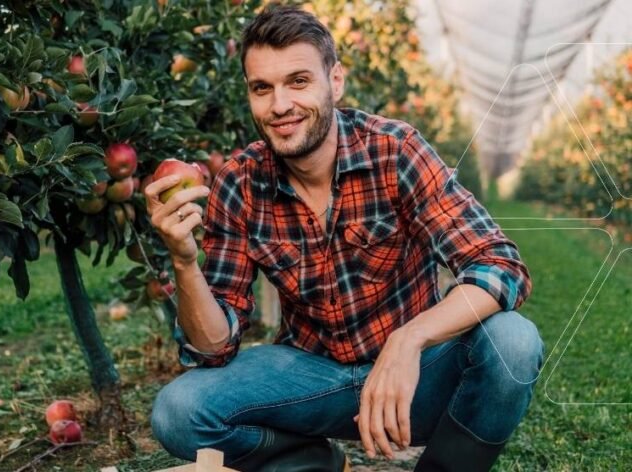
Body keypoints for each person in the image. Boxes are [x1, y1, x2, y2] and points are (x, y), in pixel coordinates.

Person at [144, 5, 544, 472]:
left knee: (513, 341)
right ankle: (316, 463)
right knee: (179, 412)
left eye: (298, 81)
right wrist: (184, 262)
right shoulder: (239, 182)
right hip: (313, 378)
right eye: (262, 88)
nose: (279, 106)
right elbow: (213, 348)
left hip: (415, 380)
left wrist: (408, 341)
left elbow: (498, 264)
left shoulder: (394, 150)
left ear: (334, 81)